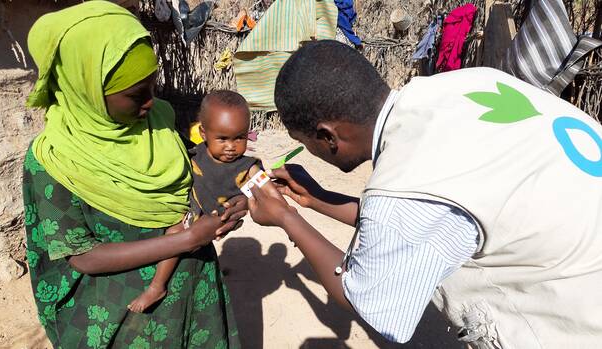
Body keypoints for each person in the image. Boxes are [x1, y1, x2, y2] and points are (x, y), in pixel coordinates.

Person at [246, 40, 602, 348]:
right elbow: (426, 222)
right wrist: (317, 198)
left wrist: (286, 218)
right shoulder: (467, 83)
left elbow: (369, 302)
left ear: (328, 137)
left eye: (303, 143)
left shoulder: (403, 187)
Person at [23, 2, 244, 348]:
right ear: (87, 90)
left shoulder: (162, 124)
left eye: (153, 88)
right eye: (136, 96)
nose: (151, 103)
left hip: (192, 294)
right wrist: (188, 239)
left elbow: (202, 184)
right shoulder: (53, 160)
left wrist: (229, 204)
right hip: (121, 316)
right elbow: (84, 257)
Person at [129, 90, 262, 312]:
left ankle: (156, 287)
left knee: (174, 235)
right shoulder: (194, 153)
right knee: (176, 233)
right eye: (222, 138)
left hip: (213, 219)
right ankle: (158, 283)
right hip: (192, 210)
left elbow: (262, 188)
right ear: (203, 132)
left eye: (239, 138)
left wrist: (249, 201)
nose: (231, 146)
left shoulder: (247, 166)